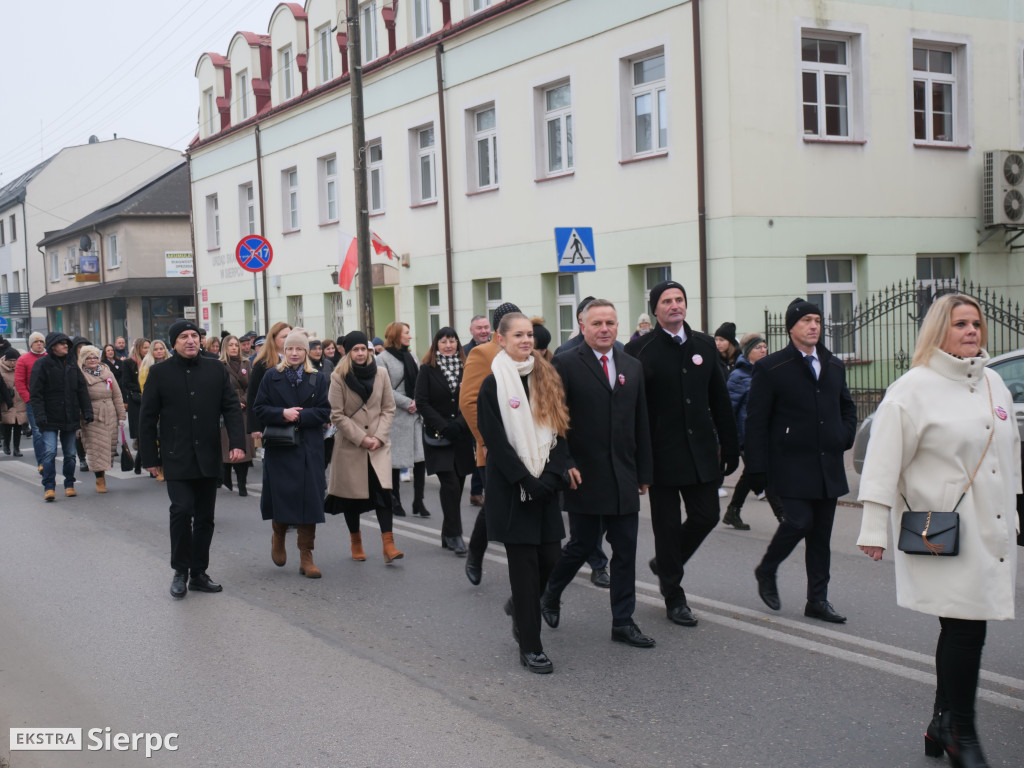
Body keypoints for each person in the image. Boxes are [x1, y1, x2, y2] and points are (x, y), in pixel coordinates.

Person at [857, 293, 1019, 768]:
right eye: (960, 324)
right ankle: (962, 734)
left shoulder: (993, 383)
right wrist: (872, 529)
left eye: (976, 323)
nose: (972, 331)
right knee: (968, 626)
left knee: (960, 624)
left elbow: (1010, 456)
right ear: (938, 331)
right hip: (943, 531)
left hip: (991, 529)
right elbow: (882, 463)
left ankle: (940, 723)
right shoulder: (913, 388)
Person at [624, 280, 739, 628]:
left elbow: (720, 400)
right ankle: (674, 596)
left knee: (706, 516)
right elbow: (632, 410)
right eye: (667, 301)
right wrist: (635, 458)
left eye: (680, 300)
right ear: (655, 309)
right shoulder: (640, 350)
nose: (675, 305)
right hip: (660, 454)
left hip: (701, 450)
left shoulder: (704, 343)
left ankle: (665, 563)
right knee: (667, 526)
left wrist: (732, 447)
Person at [544, 299, 656, 648]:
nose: (604, 329)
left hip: (623, 474)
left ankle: (623, 621)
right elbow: (553, 421)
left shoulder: (632, 366)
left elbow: (641, 423)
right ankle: (550, 592)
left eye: (610, 322)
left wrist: (644, 472)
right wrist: (565, 463)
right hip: (584, 474)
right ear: (583, 327)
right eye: (597, 324)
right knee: (580, 546)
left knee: (625, 550)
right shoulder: (564, 363)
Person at [745, 298, 857, 624]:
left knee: (820, 537)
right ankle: (767, 569)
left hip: (828, 466)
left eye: (817, 321)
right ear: (791, 327)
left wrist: (843, 435)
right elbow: (755, 422)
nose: (813, 326)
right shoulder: (771, 368)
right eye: (807, 320)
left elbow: (847, 408)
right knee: (798, 522)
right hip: (789, 466)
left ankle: (817, 600)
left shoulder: (833, 365)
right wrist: (756, 469)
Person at [477, 312, 570, 674]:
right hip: (513, 490)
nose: (525, 341)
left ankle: (520, 606)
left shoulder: (546, 376)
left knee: (550, 560)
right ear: (501, 339)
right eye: (518, 335)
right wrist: (525, 480)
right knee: (525, 571)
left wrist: (551, 475)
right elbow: (495, 443)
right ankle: (531, 645)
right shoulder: (493, 384)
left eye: (529, 335)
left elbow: (561, 430)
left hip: (545, 489)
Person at [140, 320, 245, 599]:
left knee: (205, 518)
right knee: (181, 510)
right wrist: (150, 457)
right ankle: (180, 571)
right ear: (174, 343)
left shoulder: (215, 369)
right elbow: (147, 417)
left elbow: (232, 408)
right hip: (176, 455)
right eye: (184, 337)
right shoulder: (160, 373)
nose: (190, 340)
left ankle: (199, 573)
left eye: (194, 336)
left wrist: (236, 443)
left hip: (209, 455)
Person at [254, 329, 331, 578]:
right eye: (290, 349)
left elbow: (324, 412)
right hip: (281, 446)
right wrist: (282, 413)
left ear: (306, 352)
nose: (294, 353)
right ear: (283, 351)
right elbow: (259, 409)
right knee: (283, 496)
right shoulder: (271, 376)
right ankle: (278, 534)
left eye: (299, 349)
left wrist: (300, 416)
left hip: (309, 446)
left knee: (310, 500)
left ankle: (306, 556)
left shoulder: (317, 378)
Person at [325, 331, 403, 563]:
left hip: (378, 446)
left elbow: (388, 408)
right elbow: (337, 415)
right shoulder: (338, 377)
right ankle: (355, 541)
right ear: (348, 353)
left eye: (363, 349)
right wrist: (362, 438)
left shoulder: (381, 373)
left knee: (383, 494)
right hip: (351, 446)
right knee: (352, 498)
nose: (360, 354)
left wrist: (378, 436)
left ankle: (388, 545)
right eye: (355, 350)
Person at [459, 301, 522, 584]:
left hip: (528, 447)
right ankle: (476, 554)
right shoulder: (482, 353)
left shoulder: (529, 352)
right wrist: (484, 440)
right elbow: (469, 401)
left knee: (519, 506)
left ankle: (525, 574)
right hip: (494, 447)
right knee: (497, 504)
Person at [414, 327, 475, 555]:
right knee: (449, 483)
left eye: (452, 341)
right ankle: (456, 535)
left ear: (458, 344)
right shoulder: (427, 370)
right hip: (438, 437)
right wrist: (443, 425)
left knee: (458, 486)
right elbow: (421, 401)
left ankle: (446, 532)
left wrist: (459, 423)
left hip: (460, 434)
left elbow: (471, 398)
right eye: (443, 342)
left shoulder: (467, 367)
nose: (448, 345)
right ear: (436, 345)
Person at [723, 332, 784, 530]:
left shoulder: (767, 373)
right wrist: (730, 440)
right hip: (746, 437)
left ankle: (732, 511)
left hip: (764, 434)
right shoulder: (739, 376)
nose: (764, 350)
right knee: (764, 473)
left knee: (751, 473)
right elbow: (728, 409)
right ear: (748, 352)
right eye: (758, 347)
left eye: (765, 346)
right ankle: (784, 517)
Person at [29, 332, 93, 501]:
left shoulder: (72, 364)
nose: (66, 345)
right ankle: (49, 486)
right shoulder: (42, 364)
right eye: (62, 343)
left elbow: (81, 390)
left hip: (70, 415)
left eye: (67, 343)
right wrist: (39, 415)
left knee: (70, 454)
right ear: (53, 346)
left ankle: (69, 484)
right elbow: (35, 394)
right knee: (49, 452)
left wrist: (87, 411)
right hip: (49, 416)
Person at [379, 321, 430, 518]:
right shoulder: (382, 359)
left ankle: (419, 501)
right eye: (406, 333)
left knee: (420, 460)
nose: (410, 336)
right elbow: (384, 388)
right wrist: (407, 402)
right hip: (397, 415)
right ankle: (395, 500)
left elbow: (419, 380)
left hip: (416, 415)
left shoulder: (412, 356)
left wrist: (419, 401)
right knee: (396, 462)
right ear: (396, 335)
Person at [77, 345, 126, 494]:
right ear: (83, 360)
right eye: (89, 358)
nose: (92, 360)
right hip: (91, 414)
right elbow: (76, 398)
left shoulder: (107, 373)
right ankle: (99, 478)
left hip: (109, 412)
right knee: (95, 447)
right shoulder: (80, 375)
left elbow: (116, 395)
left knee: (109, 447)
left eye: (95, 357)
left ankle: (103, 473)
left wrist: (121, 416)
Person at [219, 335, 255, 496]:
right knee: (227, 447)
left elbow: (252, 387)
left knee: (245, 449)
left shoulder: (246, 363)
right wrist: (233, 402)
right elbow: (217, 388)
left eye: (236, 345)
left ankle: (242, 483)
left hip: (245, 409)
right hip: (227, 409)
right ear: (225, 348)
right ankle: (225, 475)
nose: (234, 348)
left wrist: (243, 401)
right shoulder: (219, 365)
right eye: (231, 345)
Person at [247, 322, 292, 437]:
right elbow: (253, 395)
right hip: (272, 420)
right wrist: (255, 426)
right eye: (284, 336)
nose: (288, 339)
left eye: (290, 335)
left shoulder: (297, 360)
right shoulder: (263, 364)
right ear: (273, 339)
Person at [14, 332, 47, 469]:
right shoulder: (23, 359)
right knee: (38, 432)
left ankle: (48, 459)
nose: (39, 344)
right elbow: (20, 382)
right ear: (31, 344)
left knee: (49, 432)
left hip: (50, 401)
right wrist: (28, 399)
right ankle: (41, 463)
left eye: (41, 342)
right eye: (36, 342)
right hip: (33, 402)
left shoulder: (49, 357)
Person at [1, 348, 27, 456]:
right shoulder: (1, 369)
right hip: (6, 400)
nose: (12, 362)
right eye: (10, 360)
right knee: (7, 424)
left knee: (18, 425)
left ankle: (17, 448)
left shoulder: (20, 368)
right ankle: (6, 444)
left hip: (20, 399)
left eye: (14, 360)